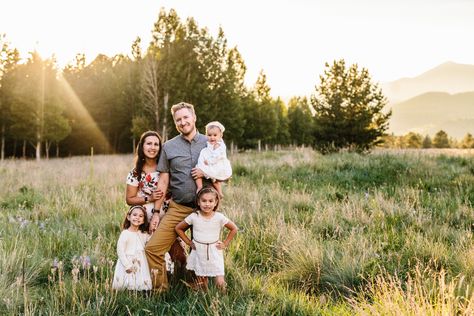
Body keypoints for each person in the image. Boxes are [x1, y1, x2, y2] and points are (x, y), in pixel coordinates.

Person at [145, 101, 209, 292]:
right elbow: (163, 182)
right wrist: (156, 212)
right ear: (175, 123)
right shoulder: (168, 147)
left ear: (194, 117)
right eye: (178, 120)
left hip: (204, 209)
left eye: (185, 117)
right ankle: (161, 291)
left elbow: (224, 173)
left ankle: (200, 290)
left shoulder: (210, 142)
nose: (182, 122)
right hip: (178, 207)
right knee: (153, 248)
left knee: (203, 251)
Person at [175, 187, 238, 292]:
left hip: (214, 250)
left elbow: (234, 228)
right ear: (198, 202)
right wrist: (188, 242)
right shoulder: (194, 216)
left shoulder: (219, 217)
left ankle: (223, 300)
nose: (207, 204)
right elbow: (178, 228)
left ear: (215, 202)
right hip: (199, 250)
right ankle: (206, 298)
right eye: (204, 201)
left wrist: (225, 243)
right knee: (202, 280)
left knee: (220, 282)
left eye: (210, 201)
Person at [125, 131, 164, 222]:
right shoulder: (136, 173)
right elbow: (129, 199)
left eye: (156, 144)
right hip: (144, 220)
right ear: (142, 146)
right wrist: (149, 198)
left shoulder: (165, 169)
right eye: (149, 144)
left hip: (167, 218)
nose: (153, 147)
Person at [112, 205, 152, 291]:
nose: (137, 218)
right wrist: (127, 265)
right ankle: (127, 292)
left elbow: (151, 240)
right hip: (128, 261)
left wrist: (153, 230)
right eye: (135, 215)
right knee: (127, 280)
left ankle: (140, 291)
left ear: (143, 220)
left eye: (141, 216)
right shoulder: (125, 233)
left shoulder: (143, 234)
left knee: (139, 278)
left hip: (140, 261)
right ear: (128, 217)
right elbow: (120, 251)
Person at [195, 121, 232, 198]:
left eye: (215, 135)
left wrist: (208, 161)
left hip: (217, 164)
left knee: (215, 180)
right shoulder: (208, 143)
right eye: (209, 135)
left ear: (220, 135)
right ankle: (199, 186)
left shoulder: (219, 146)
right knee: (197, 169)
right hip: (210, 163)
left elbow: (217, 157)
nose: (212, 137)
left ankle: (220, 192)